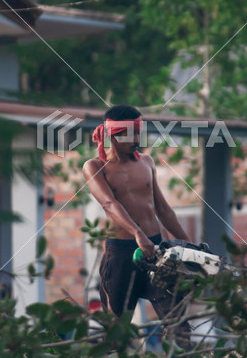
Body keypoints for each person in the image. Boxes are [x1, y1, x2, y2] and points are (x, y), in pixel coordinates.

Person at [83, 104, 192, 348]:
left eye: (138, 133)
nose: (136, 140)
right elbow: (109, 204)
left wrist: (188, 243)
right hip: (122, 253)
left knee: (179, 326)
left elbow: (163, 209)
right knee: (117, 332)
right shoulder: (94, 167)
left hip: (158, 249)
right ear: (113, 135)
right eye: (130, 135)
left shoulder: (147, 161)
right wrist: (137, 234)